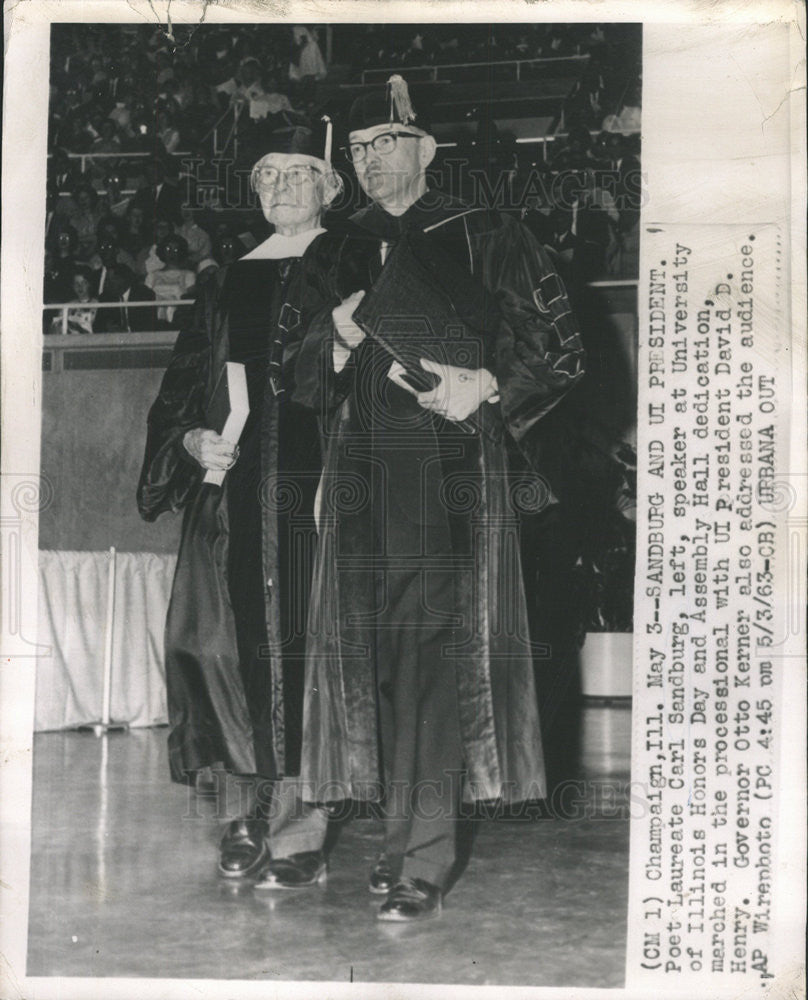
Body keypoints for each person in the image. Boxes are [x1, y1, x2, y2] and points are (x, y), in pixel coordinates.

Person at [266, 75, 585, 920]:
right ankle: (397, 841)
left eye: (387, 143)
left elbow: (557, 348)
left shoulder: (488, 233)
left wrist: (486, 384)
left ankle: (425, 859)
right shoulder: (332, 250)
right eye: (359, 149)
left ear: (426, 150)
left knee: (439, 670)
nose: (372, 161)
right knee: (374, 669)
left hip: (450, 478)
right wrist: (328, 345)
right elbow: (290, 374)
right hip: (363, 479)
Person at [137, 119, 343, 883]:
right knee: (213, 648)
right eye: (267, 176)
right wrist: (190, 440)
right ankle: (238, 816)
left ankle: (298, 830)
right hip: (231, 490)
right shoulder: (225, 279)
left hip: (316, 486)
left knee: (304, 655)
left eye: (298, 173)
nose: (281, 188)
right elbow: (180, 390)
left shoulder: (351, 265)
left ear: (329, 185)